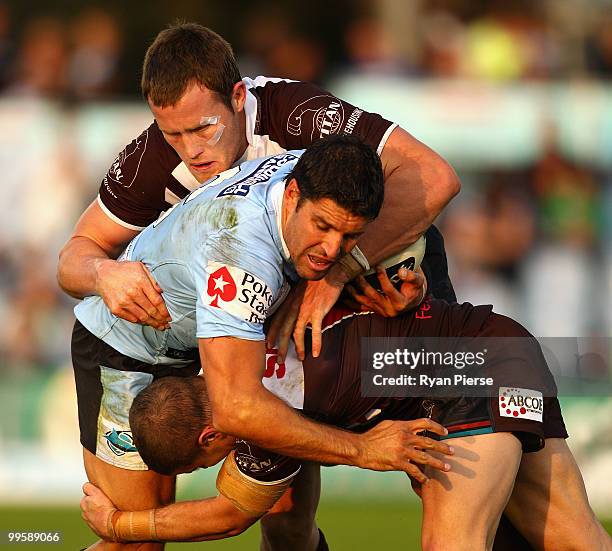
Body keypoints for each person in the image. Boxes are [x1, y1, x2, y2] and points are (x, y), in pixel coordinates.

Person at [72, 137, 454, 551]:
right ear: (292, 195)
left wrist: (397, 284)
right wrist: (363, 451)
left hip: (221, 349)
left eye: (350, 236)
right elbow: (237, 415)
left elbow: (432, 183)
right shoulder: (243, 260)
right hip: (129, 350)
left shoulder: (317, 171)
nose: (333, 249)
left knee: (288, 527)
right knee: (137, 547)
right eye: (322, 227)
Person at [56, 21, 459, 357]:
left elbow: (435, 178)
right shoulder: (149, 160)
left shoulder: (296, 114)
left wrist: (341, 274)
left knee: (460, 389)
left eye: (203, 128)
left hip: (340, 267)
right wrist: (102, 273)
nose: (191, 150)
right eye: (172, 133)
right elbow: (75, 255)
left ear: (237, 97)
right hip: (261, 304)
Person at [80, 296, 612, 550]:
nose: (221, 463)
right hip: (506, 345)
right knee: (571, 536)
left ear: (210, 437)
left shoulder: (263, 422)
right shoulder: (233, 334)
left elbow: (230, 514)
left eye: (207, 461)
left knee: (450, 546)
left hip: (465, 373)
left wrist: (119, 526)